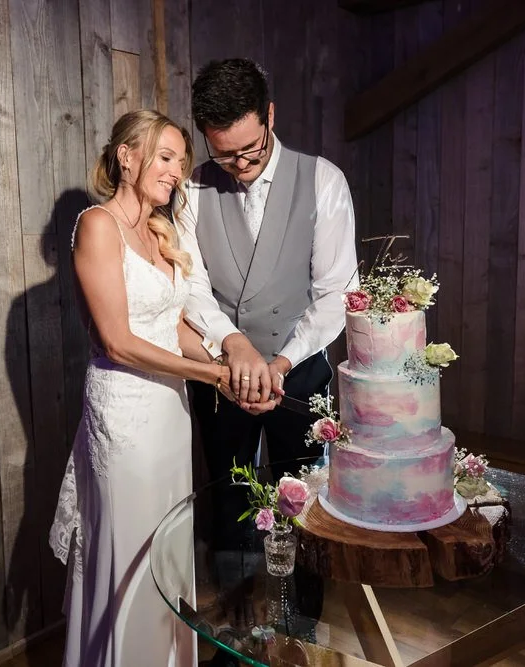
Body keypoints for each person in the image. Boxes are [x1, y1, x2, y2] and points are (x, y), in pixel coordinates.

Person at [49, 109, 246, 667]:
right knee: (132, 553)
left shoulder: (161, 229)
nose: (176, 172)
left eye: (181, 161)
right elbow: (117, 341)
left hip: (169, 415)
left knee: (167, 555)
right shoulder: (98, 225)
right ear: (127, 156)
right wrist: (214, 376)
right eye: (165, 157)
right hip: (125, 420)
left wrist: (223, 364)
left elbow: (173, 326)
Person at [178, 59, 358, 544]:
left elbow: (334, 293)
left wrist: (279, 363)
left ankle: (305, 595)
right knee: (230, 505)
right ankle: (235, 592)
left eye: (250, 149)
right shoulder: (192, 189)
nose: (239, 165)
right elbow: (191, 285)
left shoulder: (324, 181)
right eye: (224, 154)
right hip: (220, 373)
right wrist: (233, 344)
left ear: (270, 116)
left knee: (307, 509)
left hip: (298, 370)